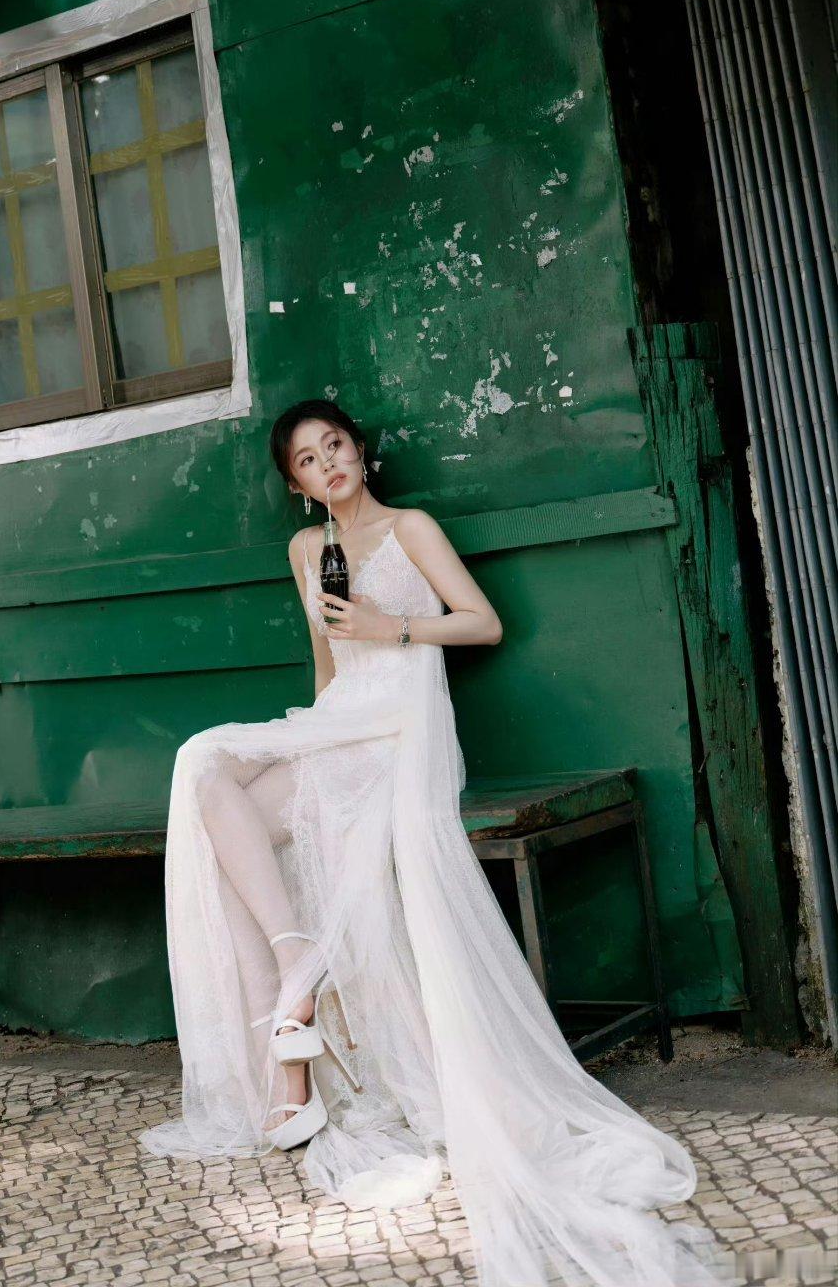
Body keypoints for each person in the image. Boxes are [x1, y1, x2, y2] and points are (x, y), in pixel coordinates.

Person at [139, 399, 723, 1287]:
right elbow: (327, 666)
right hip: (342, 724)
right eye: (308, 460)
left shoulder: (410, 528)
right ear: (297, 486)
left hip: (403, 735)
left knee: (220, 785)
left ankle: (295, 1027)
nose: (329, 463)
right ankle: (297, 969)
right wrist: (313, 734)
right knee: (207, 772)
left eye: (336, 445)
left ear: (360, 451)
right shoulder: (305, 550)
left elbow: (482, 622)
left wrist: (394, 628)